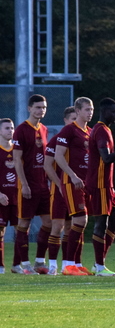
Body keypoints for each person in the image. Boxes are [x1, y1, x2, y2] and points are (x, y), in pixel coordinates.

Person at [54, 97, 94, 275]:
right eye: (87, 109)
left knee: (81, 224)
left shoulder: (90, 132)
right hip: (72, 182)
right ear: (77, 111)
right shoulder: (69, 130)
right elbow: (58, 156)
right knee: (79, 220)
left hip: (86, 183)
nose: (90, 113)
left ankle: (76, 264)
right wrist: (72, 175)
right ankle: (68, 265)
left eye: (91, 109)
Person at [86, 98, 115, 277]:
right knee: (101, 223)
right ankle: (100, 267)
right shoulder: (101, 130)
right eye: (114, 111)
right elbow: (107, 158)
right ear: (104, 112)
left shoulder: (106, 130)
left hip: (107, 185)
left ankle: (99, 263)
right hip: (99, 184)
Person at [12, 94, 50, 274]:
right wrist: (24, 184)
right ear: (29, 108)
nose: (41, 110)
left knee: (49, 222)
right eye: (37, 107)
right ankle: (24, 264)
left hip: (43, 185)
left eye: (43, 107)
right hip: (27, 185)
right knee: (24, 223)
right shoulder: (21, 130)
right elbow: (17, 160)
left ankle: (39, 261)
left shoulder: (44, 129)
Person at [43, 108, 77, 275]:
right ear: (65, 120)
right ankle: (52, 265)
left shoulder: (82, 138)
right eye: (72, 119)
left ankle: (67, 264)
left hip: (76, 188)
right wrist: (59, 185)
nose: (74, 122)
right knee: (57, 226)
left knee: (71, 227)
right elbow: (47, 165)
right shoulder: (57, 139)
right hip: (60, 189)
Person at [0, 118, 18, 274]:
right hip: (1, 198)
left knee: (22, 230)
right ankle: (0, 266)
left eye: (12, 128)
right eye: (7, 128)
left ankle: (17, 265)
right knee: (0, 232)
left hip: (17, 197)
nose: (10, 131)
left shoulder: (18, 151)